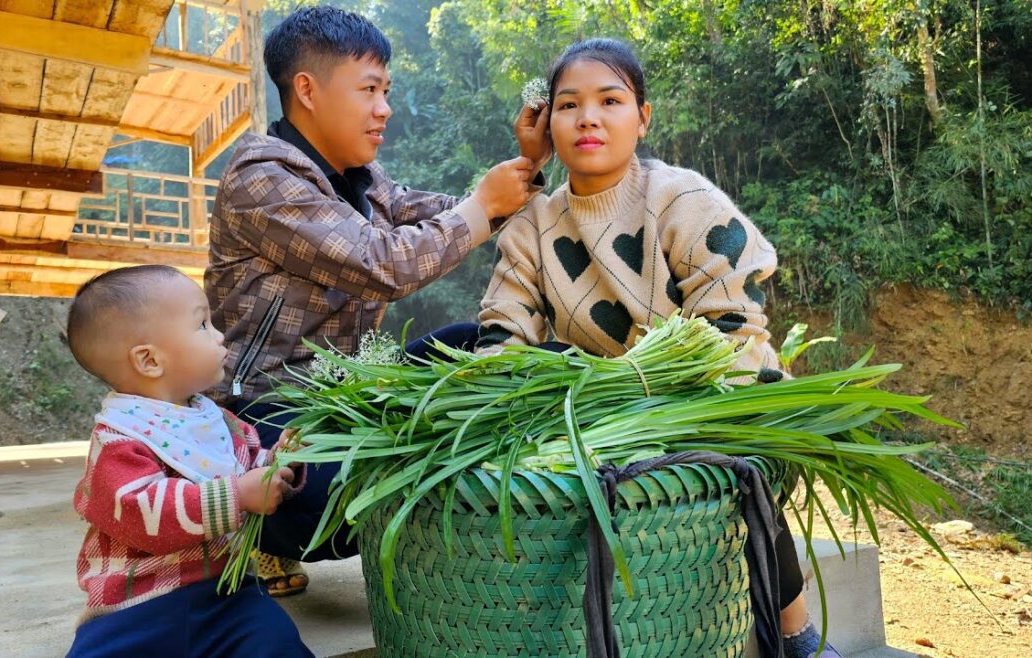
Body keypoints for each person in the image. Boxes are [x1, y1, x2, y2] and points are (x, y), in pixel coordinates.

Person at [478, 38, 840, 658]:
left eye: (610, 100)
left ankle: (796, 633)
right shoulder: (532, 226)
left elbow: (732, 323)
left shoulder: (682, 200)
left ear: (643, 117)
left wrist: (661, 398)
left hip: (709, 388)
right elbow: (501, 331)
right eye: (568, 105)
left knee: (735, 464)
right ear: (546, 124)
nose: (588, 117)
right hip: (595, 406)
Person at [205, 5, 535, 593]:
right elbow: (383, 262)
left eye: (386, 90)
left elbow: (446, 212)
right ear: (307, 89)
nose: (384, 109)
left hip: (343, 396)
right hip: (265, 409)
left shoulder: (365, 178)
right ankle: (253, 527)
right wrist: (483, 206)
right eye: (370, 90)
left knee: (481, 342)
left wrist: (530, 165)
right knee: (337, 499)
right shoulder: (261, 177)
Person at [63, 265, 312, 658]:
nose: (220, 337)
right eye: (203, 325)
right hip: (139, 607)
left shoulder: (218, 421)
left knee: (275, 640)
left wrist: (283, 461)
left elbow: (247, 467)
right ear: (149, 360)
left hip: (226, 595)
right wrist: (237, 496)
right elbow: (144, 511)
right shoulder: (118, 440)